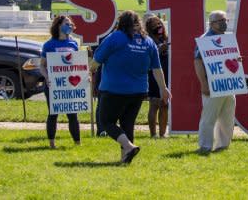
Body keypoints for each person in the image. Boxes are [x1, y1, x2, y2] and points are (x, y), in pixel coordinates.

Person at [91, 10, 170, 164]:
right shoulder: (148, 41)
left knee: (107, 122)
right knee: (128, 123)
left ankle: (128, 146)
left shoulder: (115, 37)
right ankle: (125, 159)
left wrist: (91, 69)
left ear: (121, 22)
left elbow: (97, 60)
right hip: (139, 91)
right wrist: (163, 88)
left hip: (114, 89)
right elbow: (157, 68)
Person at [194, 10, 237, 154]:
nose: (224, 23)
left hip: (227, 84)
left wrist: (237, 61)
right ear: (212, 24)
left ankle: (223, 145)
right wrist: (203, 84)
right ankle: (205, 146)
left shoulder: (227, 39)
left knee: (227, 116)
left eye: (225, 20)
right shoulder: (205, 40)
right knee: (209, 117)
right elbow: (198, 62)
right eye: (221, 21)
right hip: (212, 85)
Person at [40, 15, 81, 149]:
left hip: (70, 85)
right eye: (66, 23)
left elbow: (78, 65)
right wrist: (47, 78)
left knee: (72, 115)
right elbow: (42, 66)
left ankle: (77, 143)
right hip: (53, 86)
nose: (69, 26)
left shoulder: (74, 44)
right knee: (53, 114)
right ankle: (51, 144)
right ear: (58, 25)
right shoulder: (49, 45)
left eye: (70, 24)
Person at [145, 15, 170, 138]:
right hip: (154, 75)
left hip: (166, 74)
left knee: (165, 105)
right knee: (154, 104)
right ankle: (153, 133)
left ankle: (162, 133)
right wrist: (160, 50)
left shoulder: (166, 38)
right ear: (149, 27)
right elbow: (148, 58)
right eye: (155, 24)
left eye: (159, 23)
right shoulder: (148, 40)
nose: (158, 26)